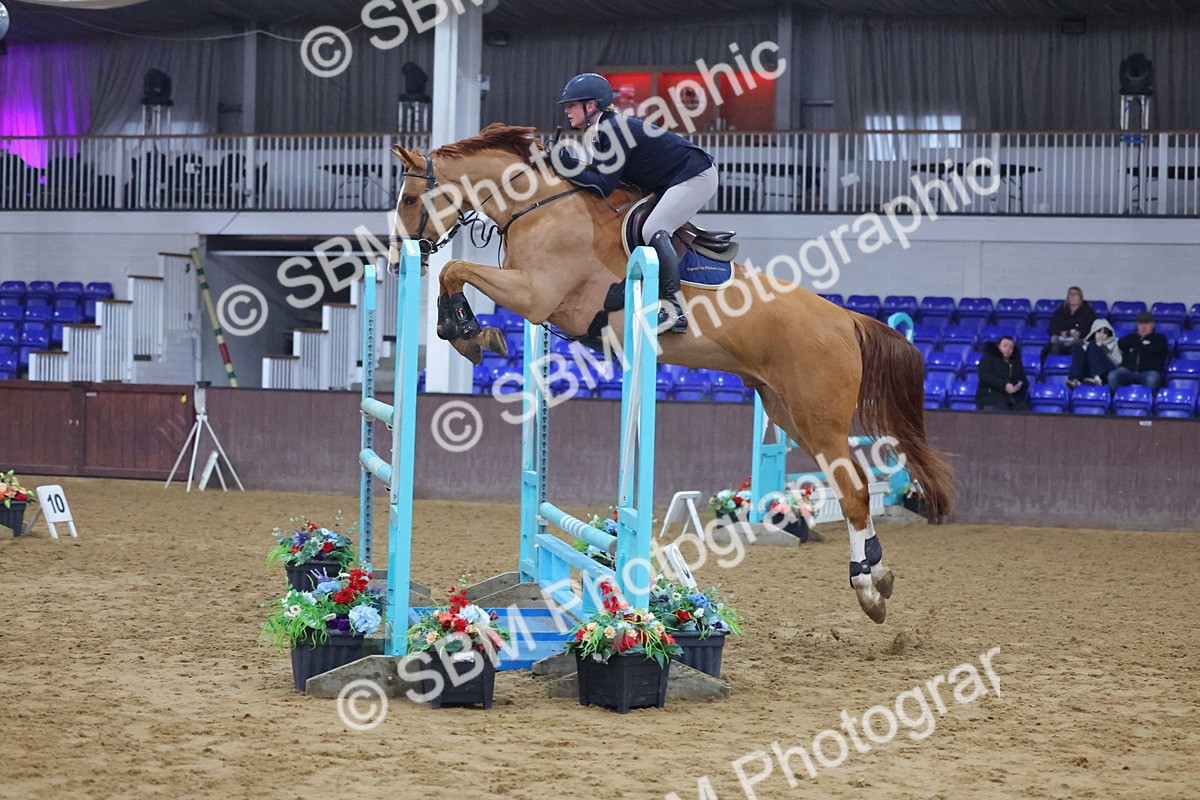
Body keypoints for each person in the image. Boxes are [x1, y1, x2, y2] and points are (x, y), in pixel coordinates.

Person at [552, 73, 719, 333]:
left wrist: (565, 163)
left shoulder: (613, 129)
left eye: (571, 105)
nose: (566, 110)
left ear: (591, 106)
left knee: (653, 228)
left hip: (695, 175)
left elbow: (602, 186)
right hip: (672, 179)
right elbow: (601, 178)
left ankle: (673, 310)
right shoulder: (602, 131)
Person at [1108, 310, 1169, 393]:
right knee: (1113, 376)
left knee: (1152, 379)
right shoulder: (1132, 337)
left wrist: (1136, 347)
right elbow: (1121, 344)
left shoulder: (1159, 338)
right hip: (1128, 371)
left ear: (1153, 324)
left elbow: (1158, 349)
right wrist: (1141, 342)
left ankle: (1145, 402)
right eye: (1141, 324)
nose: (1143, 327)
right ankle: (1120, 398)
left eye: (1146, 324)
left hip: (1149, 372)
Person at [1041, 286, 1096, 361]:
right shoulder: (1061, 311)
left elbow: (1092, 328)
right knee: (1053, 344)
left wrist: (1079, 333)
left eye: (1075, 294)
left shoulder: (1088, 312)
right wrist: (1061, 332)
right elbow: (1051, 328)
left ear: (1080, 298)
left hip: (1078, 341)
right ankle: (1054, 366)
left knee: (1077, 347)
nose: (1072, 296)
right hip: (1062, 340)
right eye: (1070, 294)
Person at [976, 335, 1029, 411]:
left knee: (1024, 409)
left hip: (1013, 399)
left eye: (1010, 347)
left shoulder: (1016, 362)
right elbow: (984, 375)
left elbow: (1024, 380)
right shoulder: (988, 358)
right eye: (1005, 346)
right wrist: (1004, 386)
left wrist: (1019, 386)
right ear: (998, 346)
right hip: (991, 397)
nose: (1008, 349)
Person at [1066, 319, 1121, 389]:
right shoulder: (1089, 345)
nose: (1101, 335)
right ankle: (1075, 379)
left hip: (1108, 373)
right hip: (1089, 373)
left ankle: (1097, 378)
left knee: (1093, 346)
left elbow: (1118, 362)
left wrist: (1103, 348)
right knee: (1078, 347)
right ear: (1094, 332)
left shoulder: (1115, 343)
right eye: (1099, 332)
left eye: (1104, 332)